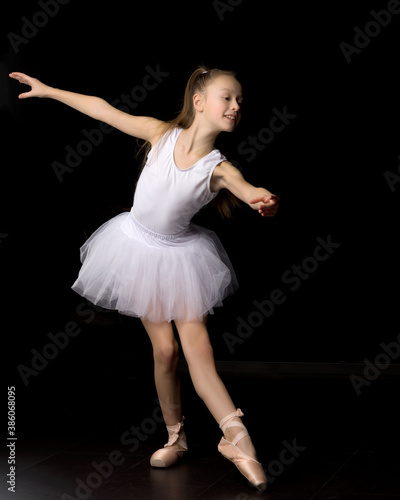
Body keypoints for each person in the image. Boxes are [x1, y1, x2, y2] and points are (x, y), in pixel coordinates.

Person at [9, 66, 279, 492]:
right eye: (227, 97)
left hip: (182, 258)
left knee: (199, 351)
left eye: (240, 101)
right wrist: (49, 91)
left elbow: (247, 189)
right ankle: (176, 437)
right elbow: (103, 110)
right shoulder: (160, 133)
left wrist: (262, 200)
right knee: (165, 351)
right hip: (138, 249)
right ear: (199, 102)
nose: (236, 106)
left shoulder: (219, 168)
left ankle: (237, 438)